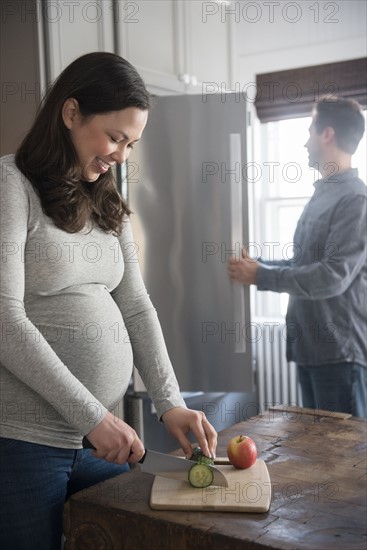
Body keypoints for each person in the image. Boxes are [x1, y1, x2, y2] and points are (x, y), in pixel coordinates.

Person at [0, 52, 217, 549]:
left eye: (130, 144)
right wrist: (94, 418)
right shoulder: (10, 184)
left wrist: (170, 403)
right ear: (71, 113)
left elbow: (136, 306)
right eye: (115, 138)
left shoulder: (105, 197)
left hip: (99, 442)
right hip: (24, 444)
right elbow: (4, 320)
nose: (121, 155)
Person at [228, 96, 366, 418]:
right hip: (311, 350)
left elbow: (332, 276)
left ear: (327, 134)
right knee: (319, 458)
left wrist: (261, 276)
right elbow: (304, 264)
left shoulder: (355, 200)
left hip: (339, 355)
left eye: (310, 132)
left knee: (343, 462)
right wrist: (257, 266)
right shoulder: (324, 194)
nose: (305, 143)